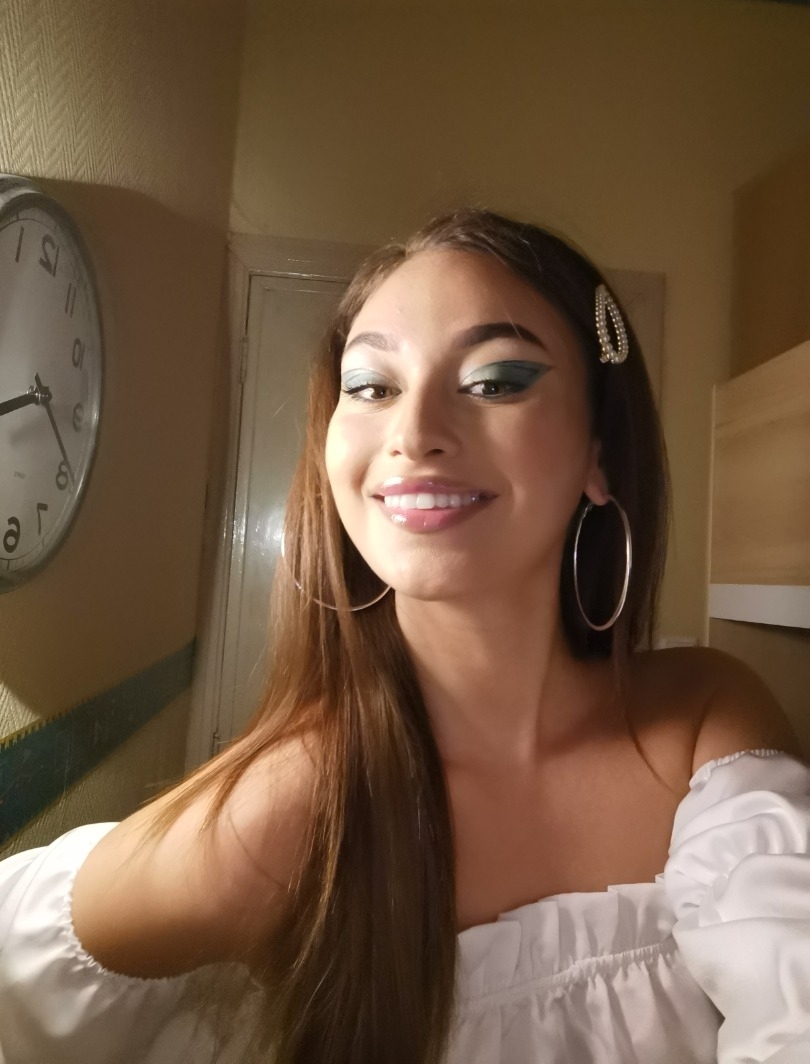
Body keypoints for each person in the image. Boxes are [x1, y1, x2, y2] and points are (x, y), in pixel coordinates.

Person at [1, 207, 808, 1064]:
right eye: (371, 386)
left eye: (495, 380)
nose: (413, 433)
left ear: (597, 453)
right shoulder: (293, 812)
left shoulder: (705, 719)